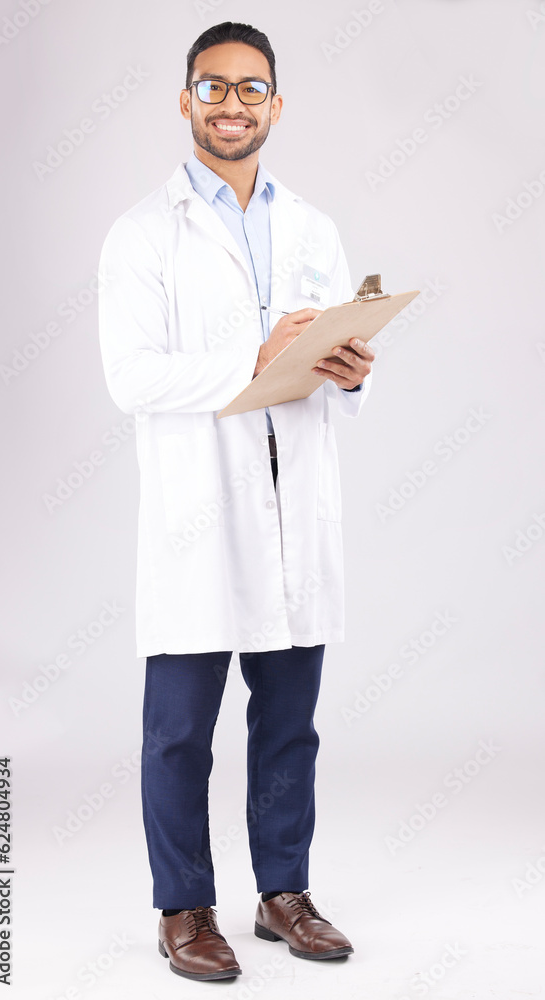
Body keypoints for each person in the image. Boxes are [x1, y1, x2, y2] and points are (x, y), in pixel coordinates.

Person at [98, 20, 375, 983]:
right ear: (185, 102)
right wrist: (249, 362)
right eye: (212, 88)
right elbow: (131, 377)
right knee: (178, 729)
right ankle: (184, 908)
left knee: (289, 721)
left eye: (250, 89)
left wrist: (348, 368)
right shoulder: (143, 233)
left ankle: (283, 893)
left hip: (295, 505)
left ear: (276, 105)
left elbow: (337, 357)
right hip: (198, 516)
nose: (231, 104)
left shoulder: (313, 228)